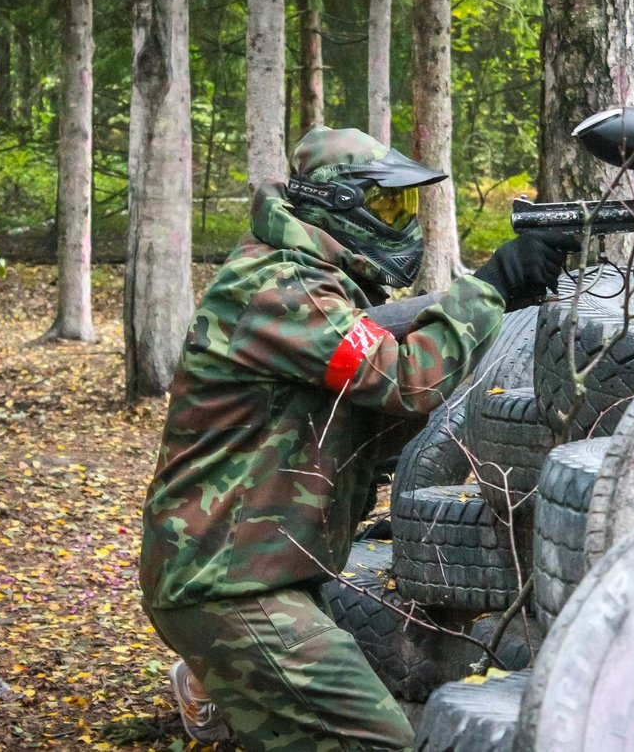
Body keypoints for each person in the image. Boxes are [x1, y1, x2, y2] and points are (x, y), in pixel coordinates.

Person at [139, 126, 577, 751]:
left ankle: (215, 682)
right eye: (387, 204)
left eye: (405, 206)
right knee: (381, 742)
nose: (400, 220)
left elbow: (375, 410)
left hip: (254, 572)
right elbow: (411, 380)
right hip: (226, 582)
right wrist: (491, 286)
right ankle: (219, 672)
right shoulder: (280, 289)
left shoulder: (310, 282)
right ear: (336, 203)